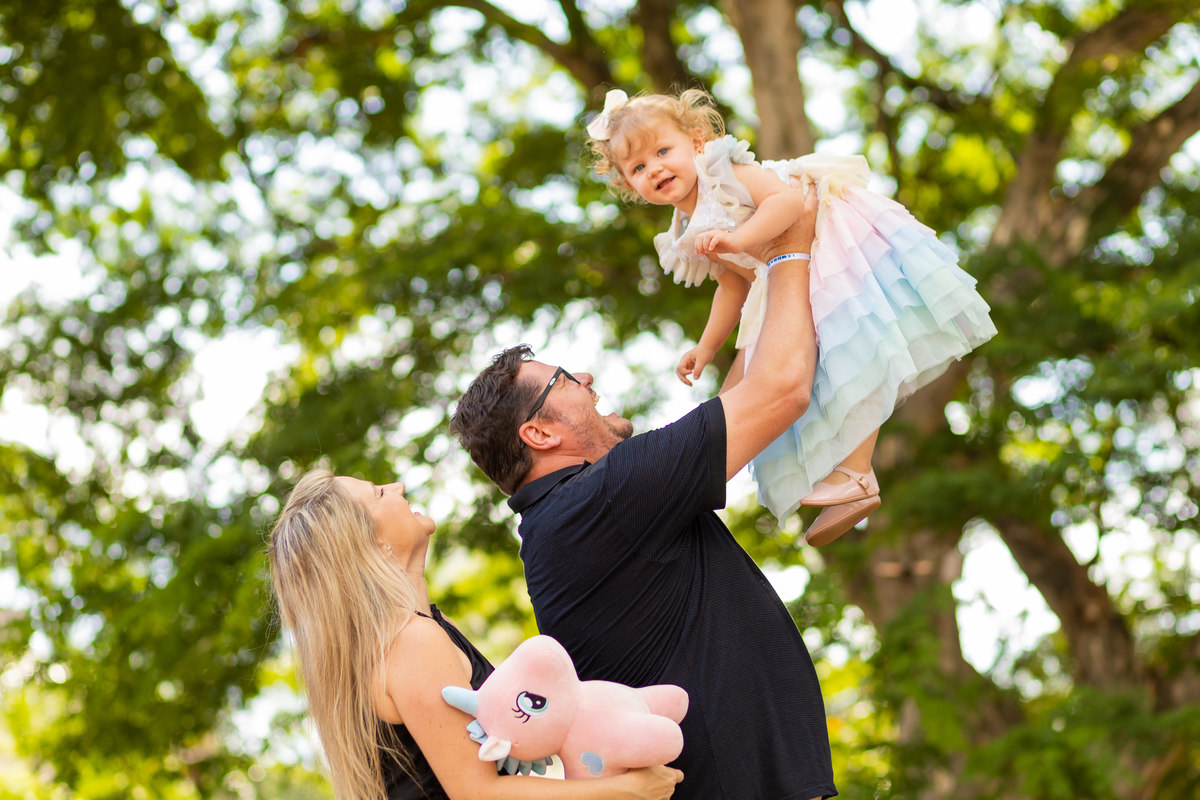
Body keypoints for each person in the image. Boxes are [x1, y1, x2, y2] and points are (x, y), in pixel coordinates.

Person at [450, 189, 838, 799]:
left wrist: (752, 284)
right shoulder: (599, 502)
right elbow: (782, 390)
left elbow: (742, 399)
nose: (587, 377)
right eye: (563, 379)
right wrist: (791, 242)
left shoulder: (580, 510)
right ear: (541, 432)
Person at [584, 86, 997, 544]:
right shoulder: (682, 230)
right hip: (776, 272)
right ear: (628, 185)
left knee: (849, 348)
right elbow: (732, 285)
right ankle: (819, 476)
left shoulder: (724, 171)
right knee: (739, 390)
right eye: (638, 168)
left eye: (663, 151)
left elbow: (787, 204)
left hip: (824, 236)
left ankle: (856, 471)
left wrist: (740, 241)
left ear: (697, 143)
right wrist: (706, 345)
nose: (655, 168)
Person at [267, 468, 684, 800]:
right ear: (367, 544)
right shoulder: (412, 642)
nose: (397, 486)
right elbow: (476, 791)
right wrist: (622, 790)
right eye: (378, 493)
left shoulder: (418, 632)